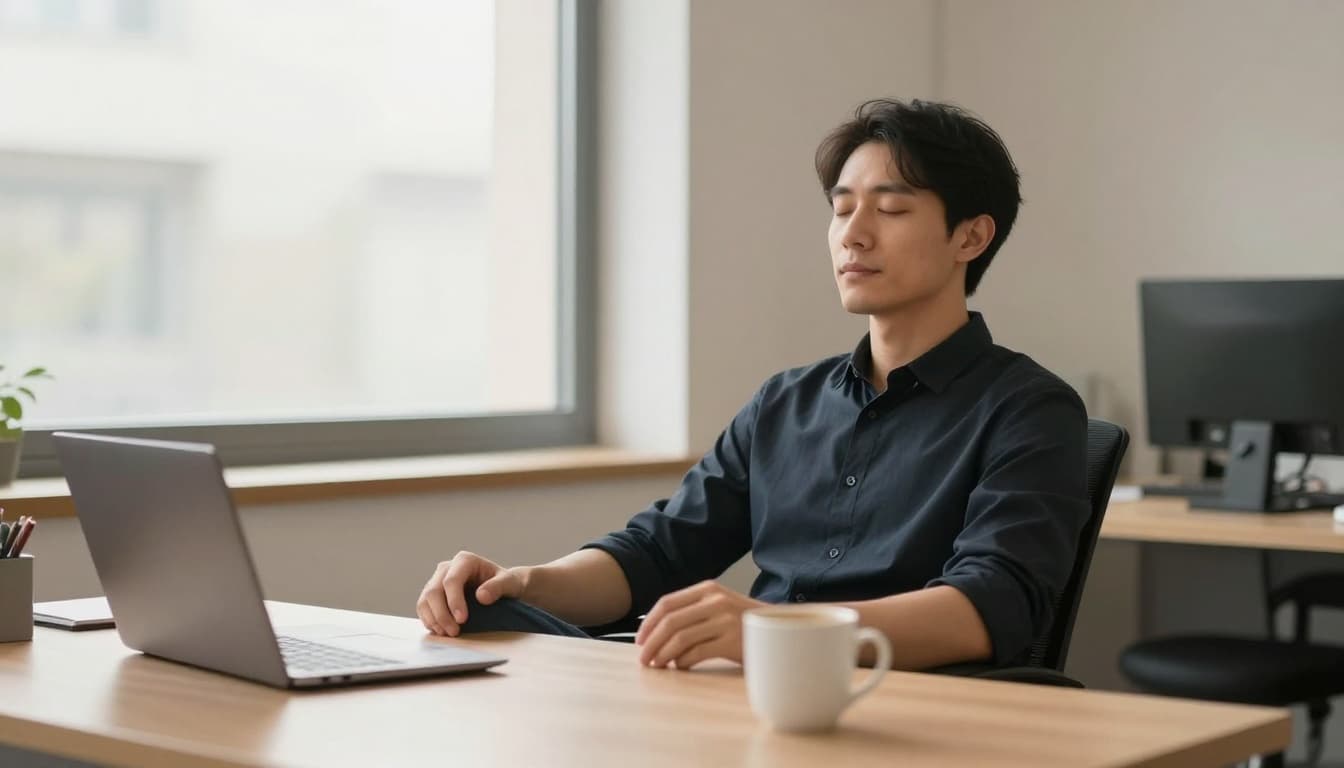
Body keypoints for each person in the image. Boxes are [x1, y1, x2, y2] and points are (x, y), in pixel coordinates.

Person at [416, 98, 1089, 672]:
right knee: (501, 639)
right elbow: (656, 553)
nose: (851, 235)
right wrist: (521, 582)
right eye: (841, 208)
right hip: (759, 695)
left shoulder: (1030, 409)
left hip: (907, 706)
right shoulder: (785, 404)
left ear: (970, 237)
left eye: (889, 210)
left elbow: (992, 604)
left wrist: (771, 632)